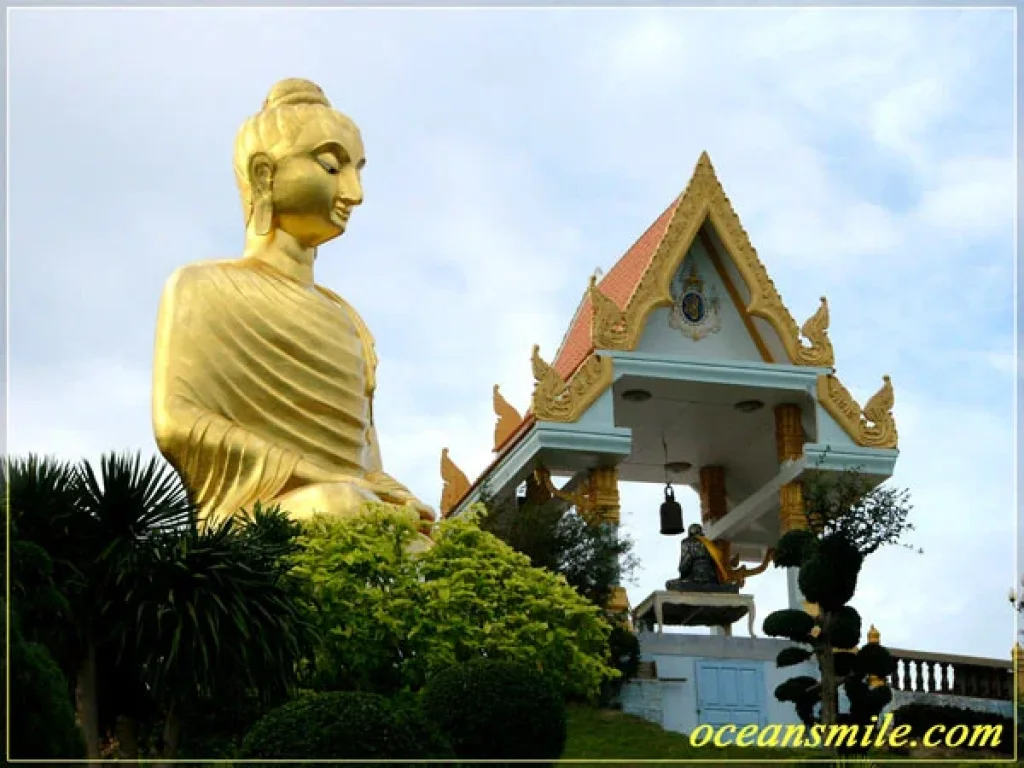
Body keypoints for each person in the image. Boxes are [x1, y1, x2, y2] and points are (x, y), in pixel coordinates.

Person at [152, 78, 433, 534]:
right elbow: (177, 423)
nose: (355, 193)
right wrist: (322, 477)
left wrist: (395, 494)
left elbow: (365, 462)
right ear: (265, 174)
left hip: (349, 503)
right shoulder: (201, 286)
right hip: (255, 521)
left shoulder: (347, 319)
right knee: (339, 506)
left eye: (359, 170)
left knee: (428, 541)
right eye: (331, 166)